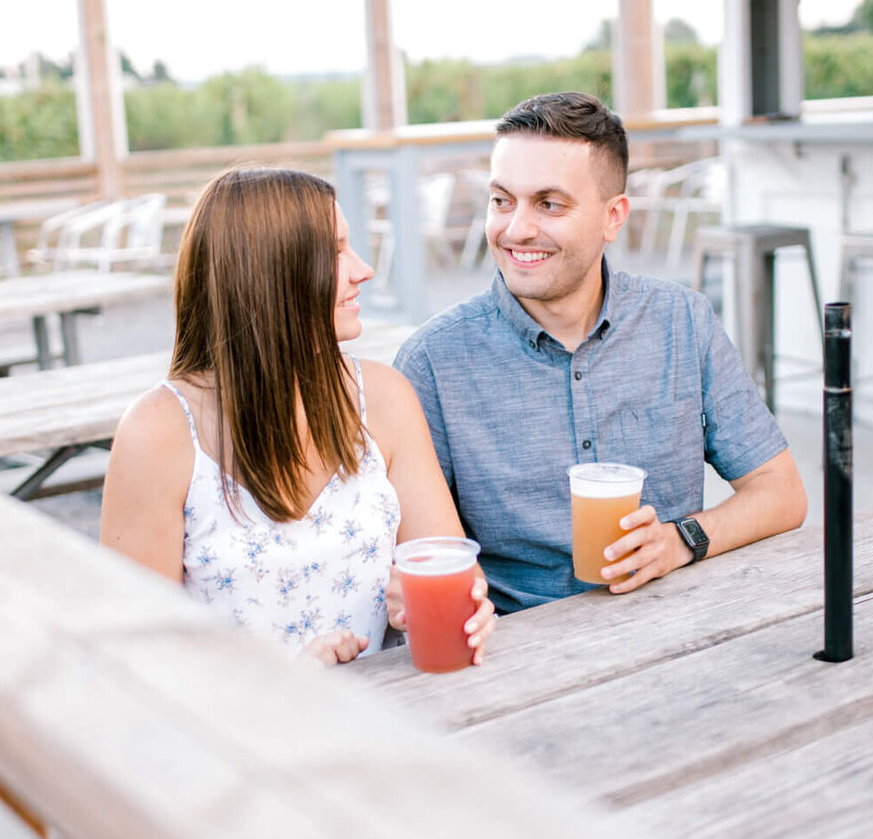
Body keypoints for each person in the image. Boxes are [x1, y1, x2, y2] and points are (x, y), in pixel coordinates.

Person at [393, 93, 807, 615]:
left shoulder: (681, 321)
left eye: (549, 204)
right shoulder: (433, 362)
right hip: (520, 652)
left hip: (678, 626)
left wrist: (681, 541)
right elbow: (426, 561)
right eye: (502, 200)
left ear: (614, 217)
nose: (516, 228)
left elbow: (782, 492)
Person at [100, 165, 494, 665]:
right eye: (335, 252)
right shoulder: (157, 433)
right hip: (244, 732)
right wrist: (288, 681)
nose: (363, 269)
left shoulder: (385, 397)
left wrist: (455, 608)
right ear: (269, 273)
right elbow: (132, 659)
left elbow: (454, 572)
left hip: (399, 716)